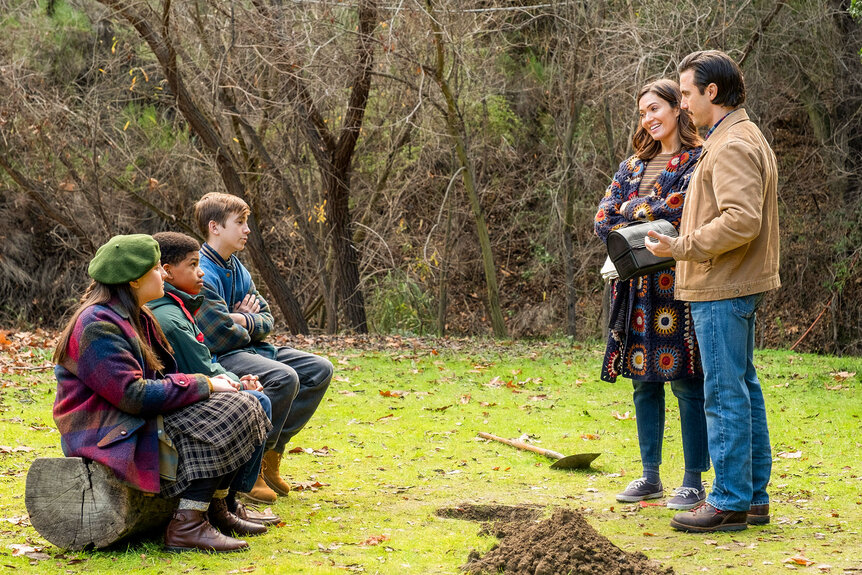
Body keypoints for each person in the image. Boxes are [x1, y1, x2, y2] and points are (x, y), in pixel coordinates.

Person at [53, 234, 272, 552]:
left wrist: (222, 385)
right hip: (107, 434)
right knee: (234, 410)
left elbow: (162, 379)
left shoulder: (137, 315)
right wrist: (205, 384)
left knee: (245, 402)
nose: (163, 275)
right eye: (157, 269)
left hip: (131, 421)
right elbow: (133, 395)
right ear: (135, 280)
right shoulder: (96, 324)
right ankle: (188, 524)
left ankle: (214, 509)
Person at [646, 50, 780, 533]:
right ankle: (753, 498)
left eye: (685, 94)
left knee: (724, 393)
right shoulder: (731, 137)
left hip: (724, 285)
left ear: (712, 92)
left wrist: (682, 246)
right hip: (729, 282)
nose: (680, 104)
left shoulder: (732, 145)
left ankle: (727, 501)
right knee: (742, 388)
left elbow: (741, 220)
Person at [595, 79, 709, 511]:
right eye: (643, 112)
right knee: (643, 384)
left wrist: (634, 211)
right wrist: (646, 212)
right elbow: (603, 221)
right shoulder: (630, 167)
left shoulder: (696, 160)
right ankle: (650, 476)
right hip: (635, 291)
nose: (649, 118)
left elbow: (682, 209)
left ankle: (693, 480)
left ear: (678, 108)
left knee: (685, 382)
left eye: (655, 108)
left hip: (678, 287)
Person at [193, 192, 333, 498]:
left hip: (251, 349)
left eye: (247, 223)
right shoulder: (201, 269)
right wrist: (245, 320)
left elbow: (267, 317)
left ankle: (272, 455)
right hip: (221, 357)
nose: (247, 230)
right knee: (284, 377)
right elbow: (218, 335)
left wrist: (242, 320)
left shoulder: (237, 267)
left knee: (319, 370)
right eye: (240, 223)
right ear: (215, 227)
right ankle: (251, 468)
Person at [147, 231, 282, 519]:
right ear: (167, 272)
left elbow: (206, 360)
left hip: (187, 390)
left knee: (260, 393)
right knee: (257, 401)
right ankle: (230, 501)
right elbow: (203, 365)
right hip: (176, 402)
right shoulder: (170, 317)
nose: (201, 273)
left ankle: (227, 502)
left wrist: (235, 378)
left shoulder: (180, 306)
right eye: (193, 265)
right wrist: (235, 382)